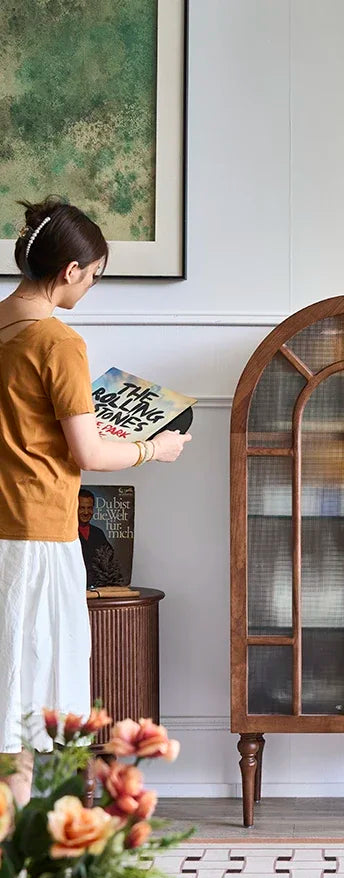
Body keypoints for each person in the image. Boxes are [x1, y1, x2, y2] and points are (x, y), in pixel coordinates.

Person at [0, 196, 191, 805]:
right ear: (68, 272)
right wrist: (149, 450)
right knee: (24, 702)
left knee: (7, 691)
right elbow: (87, 453)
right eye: (94, 276)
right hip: (35, 535)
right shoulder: (58, 341)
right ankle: (16, 864)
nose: (91, 288)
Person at [77, 488, 124, 588]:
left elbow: (109, 561)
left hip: (98, 589)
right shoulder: (67, 534)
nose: (86, 512)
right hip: (74, 588)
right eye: (82, 508)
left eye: (89, 508)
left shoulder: (98, 533)